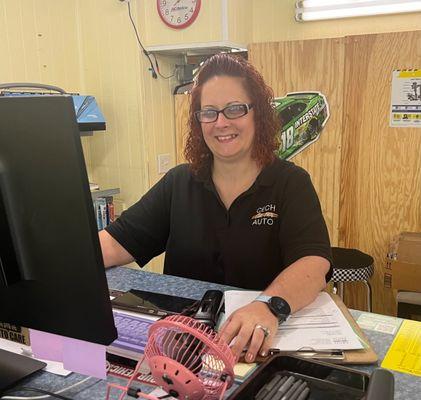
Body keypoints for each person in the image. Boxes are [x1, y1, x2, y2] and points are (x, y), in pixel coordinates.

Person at [100, 53, 332, 363]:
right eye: (208, 112)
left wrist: (269, 306)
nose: (221, 123)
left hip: (255, 347)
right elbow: (116, 242)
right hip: (183, 349)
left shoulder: (290, 182)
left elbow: (314, 263)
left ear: (257, 115)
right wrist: (53, 266)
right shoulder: (179, 182)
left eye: (235, 109)